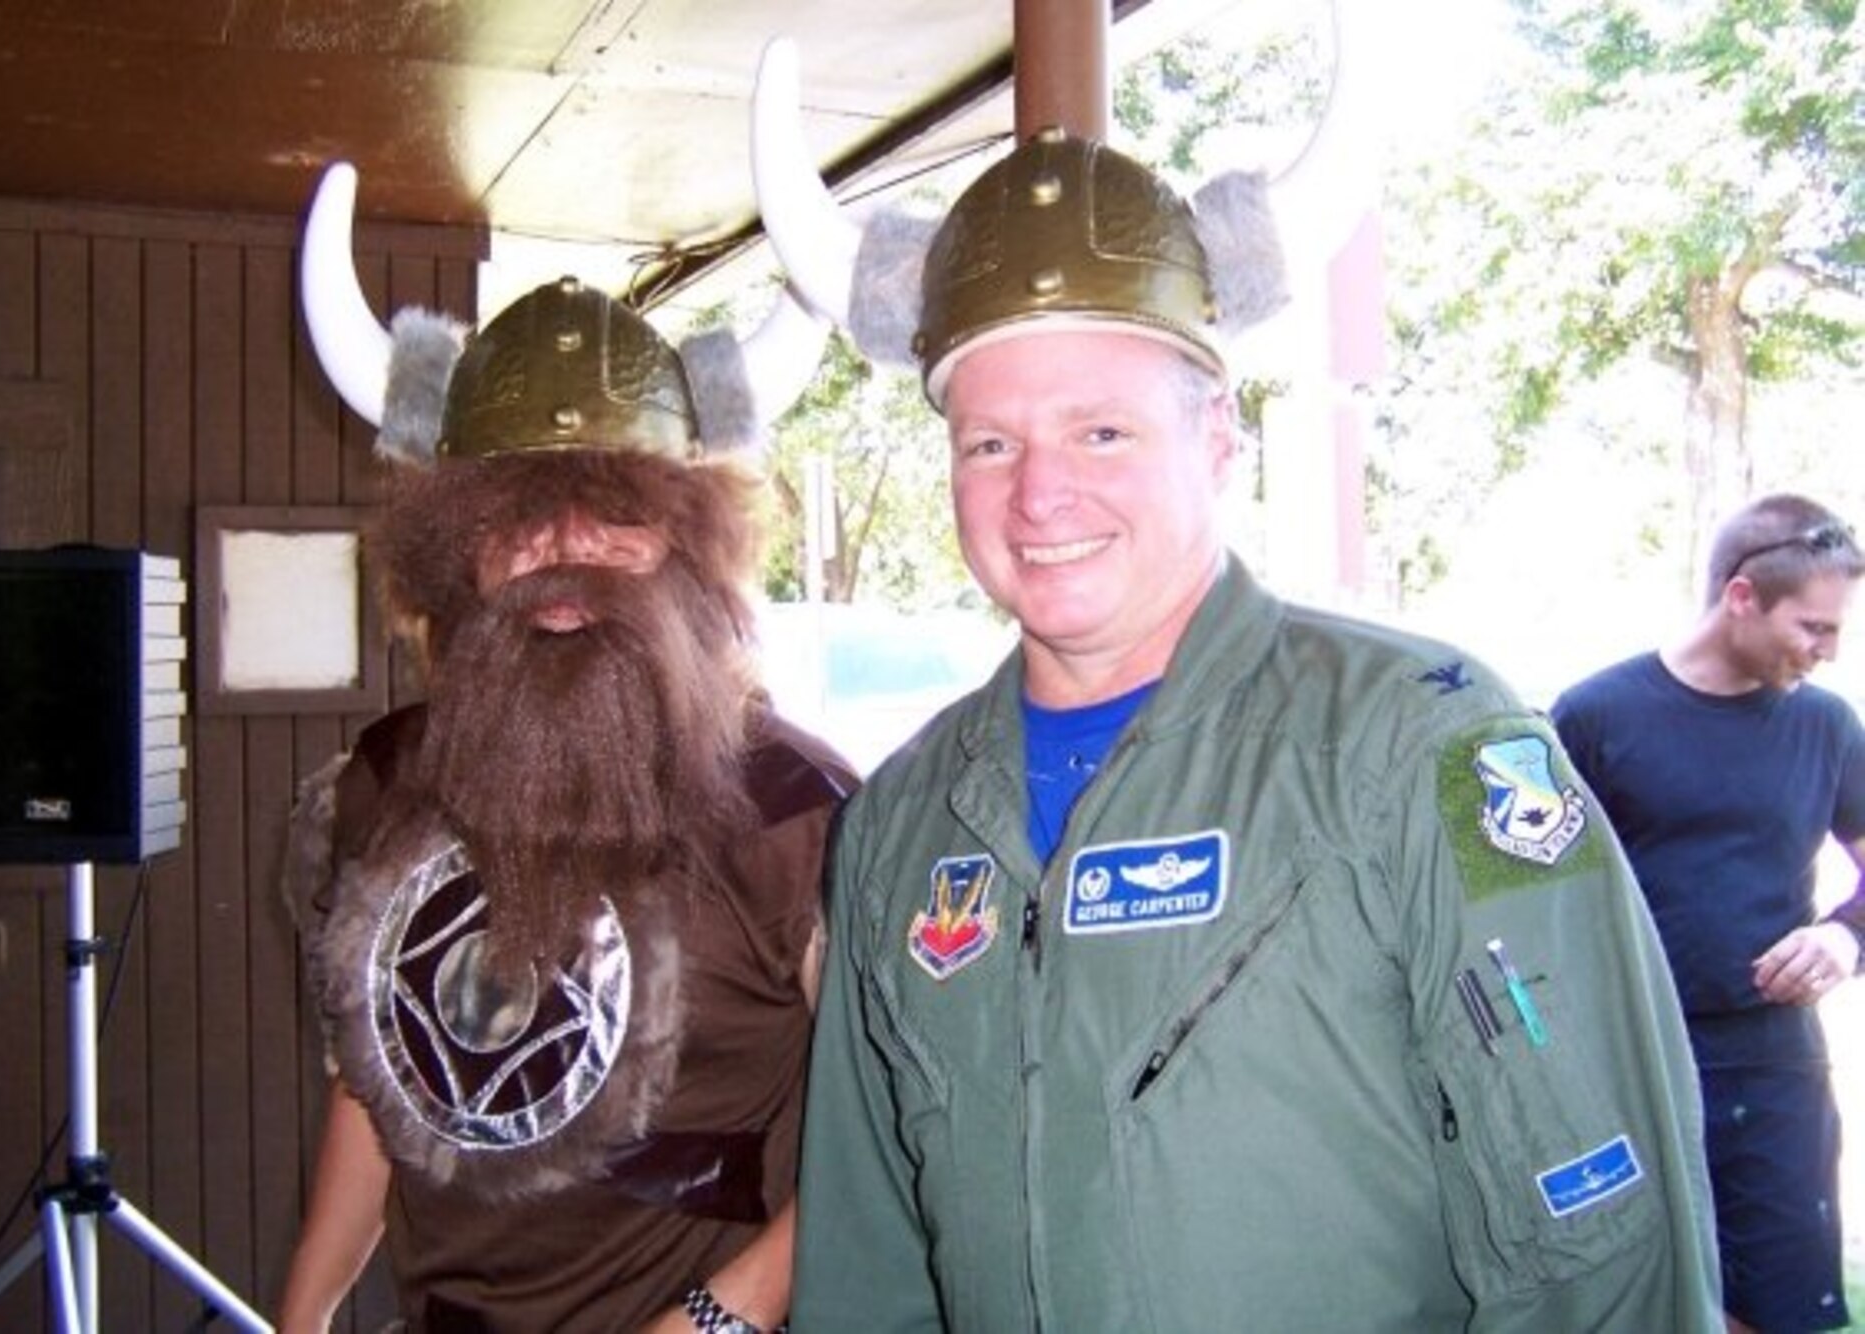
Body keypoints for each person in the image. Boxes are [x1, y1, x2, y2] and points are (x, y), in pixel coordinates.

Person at [767, 129, 1724, 1329]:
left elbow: (1602, 1235)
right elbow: (866, 1261)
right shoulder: (901, 818)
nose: (1039, 492)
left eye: (1100, 431)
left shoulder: (1423, 743)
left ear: (1217, 438)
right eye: (989, 443)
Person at [274, 224, 856, 1329]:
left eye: (615, 511)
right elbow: (378, 1072)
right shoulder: (389, 779)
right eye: (514, 515)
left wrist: (705, 1323)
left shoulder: (800, 815)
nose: (564, 548)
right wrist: (301, 1312)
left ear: (688, 544)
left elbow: (880, 1137)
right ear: (459, 552)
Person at [1552, 494, 1865, 1334]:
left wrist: (1845, 935)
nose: (1828, 653)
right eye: (1815, 628)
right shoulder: (1590, 718)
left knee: (1779, 1308)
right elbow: (1514, 896)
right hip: (1628, 1056)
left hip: (1773, 1064)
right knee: (1639, 1302)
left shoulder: (1828, 728)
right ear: (1740, 596)